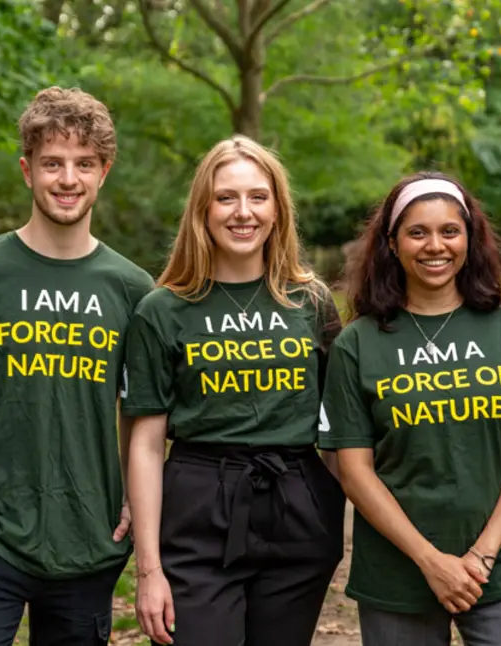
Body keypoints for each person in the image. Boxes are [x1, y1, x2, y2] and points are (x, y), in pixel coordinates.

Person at [0, 87, 154, 645]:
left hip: (88, 538)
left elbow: (140, 413)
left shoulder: (133, 289)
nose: (68, 179)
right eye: (53, 163)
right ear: (27, 170)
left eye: (84, 164)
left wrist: (131, 498)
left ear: (104, 172)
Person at [123, 135, 346, 646]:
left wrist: (329, 514)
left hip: (296, 502)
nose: (242, 212)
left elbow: (340, 428)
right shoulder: (163, 309)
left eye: (257, 197)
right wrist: (149, 569)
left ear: (277, 209)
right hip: (198, 505)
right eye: (226, 198)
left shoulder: (310, 302)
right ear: (203, 209)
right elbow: (146, 442)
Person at [319, 172, 501, 645]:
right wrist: (431, 561)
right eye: (417, 232)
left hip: (497, 566)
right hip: (396, 571)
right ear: (391, 243)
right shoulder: (357, 344)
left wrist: (482, 556)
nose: (435, 246)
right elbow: (354, 472)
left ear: (470, 238)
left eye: (450, 231)